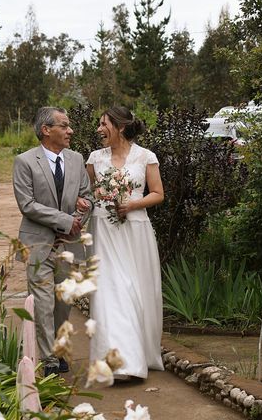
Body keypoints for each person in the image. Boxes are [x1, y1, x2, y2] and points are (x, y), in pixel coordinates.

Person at [13, 106, 93, 377]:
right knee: (43, 302)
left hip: (69, 245)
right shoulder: (24, 162)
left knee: (63, 302)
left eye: (69, 126)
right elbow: (27, 205)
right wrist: (64, 220)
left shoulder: (76, 159)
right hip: (38, 244)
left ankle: (58, 350)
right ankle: (48, 360)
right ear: (46, 130)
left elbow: (87, 197)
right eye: (64, 125)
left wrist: (81, 211)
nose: (70, 130)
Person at [86, 105, 165, 381]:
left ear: (120, 127)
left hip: (135, 233)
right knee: (110, 292)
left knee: (136, 293)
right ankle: (119, 364)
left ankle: (137, 354)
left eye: (103, 124)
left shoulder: (146, 156)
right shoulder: (95, 158)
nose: (99, 129)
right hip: (104, 232)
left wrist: (132, 204)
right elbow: (88, 195)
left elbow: (157, 194)